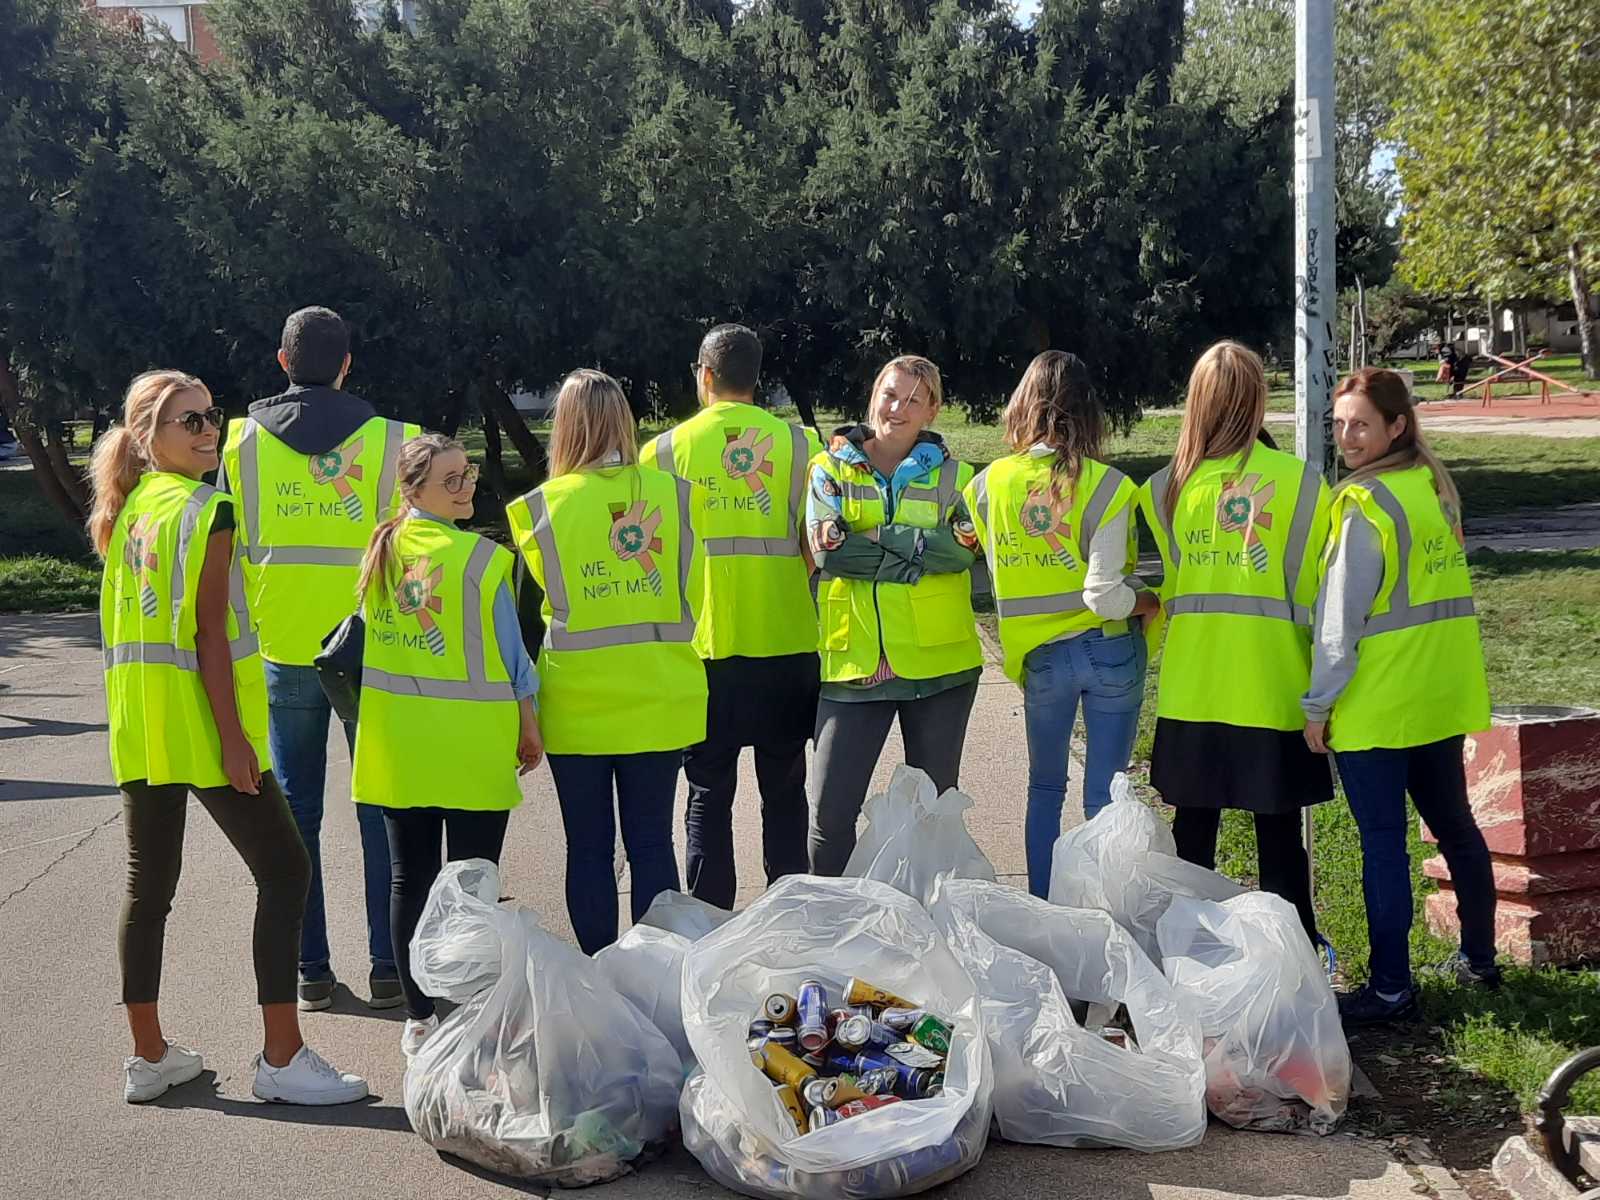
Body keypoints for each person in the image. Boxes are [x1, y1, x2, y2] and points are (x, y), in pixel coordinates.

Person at [91, 369, 367, 1105]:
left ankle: (149, 1058)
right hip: (205, 728)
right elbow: (211, 635)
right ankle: (282, 1056)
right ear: (149, 437)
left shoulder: (132, 508)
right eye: (190, 421)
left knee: (148, 888)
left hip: (143, 724)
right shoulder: (205, 509)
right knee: (285, 871)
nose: (209, 429)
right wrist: (236, 739)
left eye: (212, 416)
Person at [219, 307, 420, 1012]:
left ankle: (310, 969)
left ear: (282, 362)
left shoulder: (240, 443)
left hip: (284, 650)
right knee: (377, 809)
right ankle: (389, 967)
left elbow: (228, 551)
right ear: (348, 363)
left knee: (297, 811)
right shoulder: (396, 442)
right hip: (372, 651)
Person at [1303, 367, 1498, 1024]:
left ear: (1396, 426)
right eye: (1339, 425)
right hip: (1438, 693)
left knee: (1385, 844)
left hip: (1380, 702)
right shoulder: (1431, 489)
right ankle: (1479, 961)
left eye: (1359, 424)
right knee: (1456, 829)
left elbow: (1339, 622)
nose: (1347, 437)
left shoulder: (1363, 506)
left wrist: (1317, 706)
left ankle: (1390, 989)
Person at [350, 433, 541, 1055]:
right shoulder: (483, 561)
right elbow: (513, 661)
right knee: (473, 884)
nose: (468, 487)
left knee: (410, 878)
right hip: (471, 746)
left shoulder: (380, 551)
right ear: (414, 491)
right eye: (452, 480)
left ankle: (418, 1017)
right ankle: (466, 1011)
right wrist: (529, 724)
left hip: (400, 743)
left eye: (468, 474)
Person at [1137, 341, 1333, 943]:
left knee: (1192, 838)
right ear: (1258, 400)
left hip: (1194, 688)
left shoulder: (1163, 489)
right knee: (1279, 844)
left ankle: (1190, 960)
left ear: (1195, 402)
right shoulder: (1303, 484)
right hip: (1273, 685)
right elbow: (1320, 591)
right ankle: (1295, 968)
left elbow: (1174, 586)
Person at [507, 370, 708, 953]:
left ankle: (598, 977)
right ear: (625, 419)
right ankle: (654, 976)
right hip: (659, 696)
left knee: (589, 847)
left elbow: (524, 624)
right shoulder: (675, 495)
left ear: (563, 427)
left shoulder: (542, 508)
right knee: (651, 844)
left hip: (577, 706)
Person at [963, 352, 1159, 898]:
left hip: (1041, 659)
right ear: (1088, 410)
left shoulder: (987, 485)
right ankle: (1104, 915)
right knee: (1106, 795)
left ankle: (1044, 909)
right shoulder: (1107, 485)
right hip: (1110, 650)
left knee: (1045, 788)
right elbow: (1104, 595)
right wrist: (1146, 600)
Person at [641, 325, 822, 908]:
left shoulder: (662, 452)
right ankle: (790, 916)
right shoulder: (801, 447)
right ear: (757, 377)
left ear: (705, 375)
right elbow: (814, 545)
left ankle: (710, 920)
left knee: (707, 795)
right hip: (786, 640)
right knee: (787, 792)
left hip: (704, 649)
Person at [807, 354, 984, 875]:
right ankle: (834, 925)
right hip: (854, 668)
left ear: (932, 410)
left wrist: (877, 539)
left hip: (940, 669)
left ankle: (931, 926)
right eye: (890, 394)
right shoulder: (829, 468)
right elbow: (829, 552)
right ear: (872, 395)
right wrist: (920, 551)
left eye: (913, 400)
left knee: (935, 815)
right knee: (829, 814)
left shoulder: (959, 476)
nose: (898, 408)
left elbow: (964, 552)